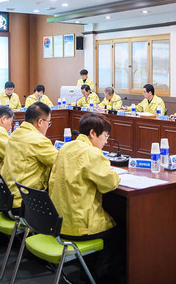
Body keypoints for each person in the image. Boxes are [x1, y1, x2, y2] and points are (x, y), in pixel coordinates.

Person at [49, 113, 122, 283]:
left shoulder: (65, 148)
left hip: (58, 222)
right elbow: (109, 184)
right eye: (105, 136)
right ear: (92, 133)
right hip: (80, 226)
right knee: (120, 230)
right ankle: (99, 277)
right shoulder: (92, 153)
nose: (105, 142)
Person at [1, 102, 58, 213]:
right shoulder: (38, 140)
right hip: (24, 203)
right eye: (48, 122)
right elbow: (60, 162)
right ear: (40, 122)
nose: (48, 126)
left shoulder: (15, 133)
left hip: (6, 197)